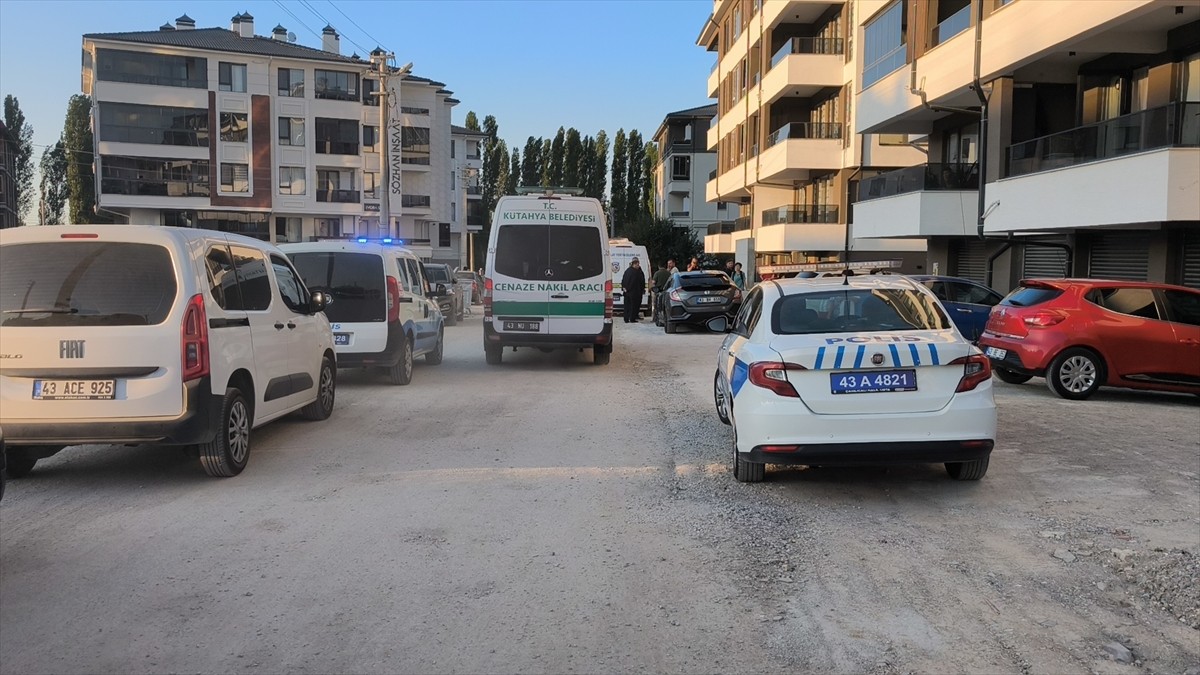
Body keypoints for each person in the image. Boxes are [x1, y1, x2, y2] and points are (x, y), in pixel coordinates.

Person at [620, 258, 646, 324]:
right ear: (634, 264)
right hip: (634, 292)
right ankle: (632, 318)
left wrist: (624, 288)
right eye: (637, 265)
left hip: (626, 292)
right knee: (633, 306)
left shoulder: (627, 271)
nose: (638, 266)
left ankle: (626, 318)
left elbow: (623, 280)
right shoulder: (636, 272)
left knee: (626, 306)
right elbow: (634, 282)